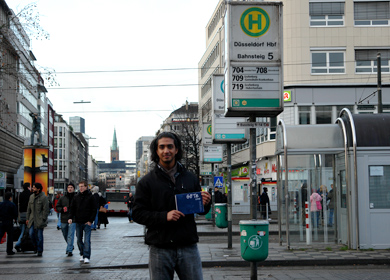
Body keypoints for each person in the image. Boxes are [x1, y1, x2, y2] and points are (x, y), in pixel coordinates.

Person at [133, 132, 211, 280]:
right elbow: (137, 213)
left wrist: (206, 203)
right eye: (161, 147)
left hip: (188, 245)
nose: (166, 150)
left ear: (176, 150)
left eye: (170, 146)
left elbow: (200, 210)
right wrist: (164, 216)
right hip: (160, 248)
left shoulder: (190, 178)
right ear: (156, 151)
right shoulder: (146, 182)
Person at [68, 180, 97, 264]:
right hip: (78, 221)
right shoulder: (76, 197)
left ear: (86, 187)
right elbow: (72, 208)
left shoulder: (91, 197)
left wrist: (91, 220)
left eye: (82, 186)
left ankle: (86, 256)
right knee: (79, 240)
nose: (80, 188)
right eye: (79, 186)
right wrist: (70, 217)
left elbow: (94, 209)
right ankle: (82, 253)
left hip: (87, 222)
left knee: (87, 240)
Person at [26, 182, 50, 257]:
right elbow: (28, 209)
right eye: (32, 187)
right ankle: (35, 246)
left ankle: (40, 250)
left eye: (34, 187)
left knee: (40, 236)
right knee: (31, 233)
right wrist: (27, 218)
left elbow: (46, 209)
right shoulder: (31, 197)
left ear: (38, 189)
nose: (32, 189)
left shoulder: (43, 197)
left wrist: (43, 218)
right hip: (32, 219)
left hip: (40, 219)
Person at [56, 183, 76, 256]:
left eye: (71, 187)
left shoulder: (76, 197)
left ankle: (69, 250)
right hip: (64, 218)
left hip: (73, 219)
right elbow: (57, 207)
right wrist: (62, 209)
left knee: (70, 234)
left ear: (74, 188)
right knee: (65, 233)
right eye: (68, 187)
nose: (70, 189)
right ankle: (70, 245)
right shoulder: (62, 198)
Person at [15, 182, 32, 252]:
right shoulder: (31, 195)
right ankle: (18, 244)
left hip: (21, 214)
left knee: (23, 230)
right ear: (28, 187)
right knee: (27, 231)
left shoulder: (20, 195)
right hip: (28, 214)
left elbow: (16, 203)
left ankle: (20, 244)